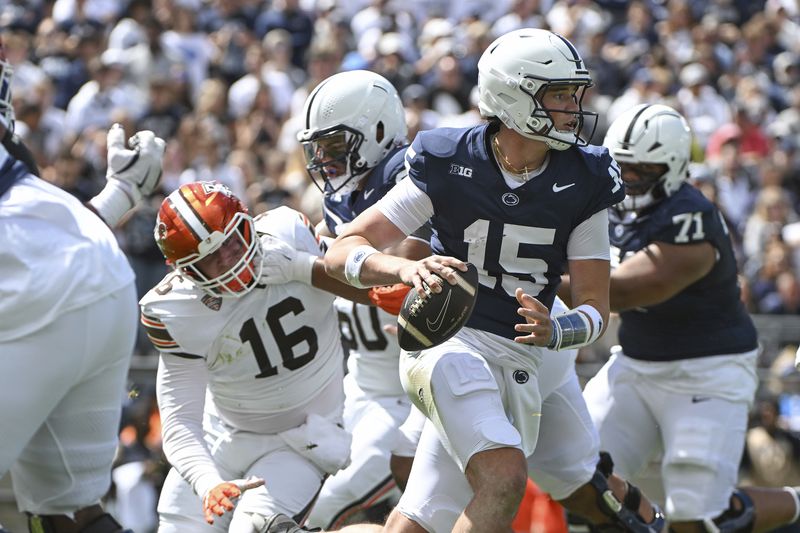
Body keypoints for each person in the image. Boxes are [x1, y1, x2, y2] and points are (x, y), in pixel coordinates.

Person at [324, 28, 664, 533]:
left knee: (421, 516)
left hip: (526, 355)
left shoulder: (586, 177)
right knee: (503, 477)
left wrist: (559, 330)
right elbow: (342, 250)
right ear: (514, 95)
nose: (573, 107)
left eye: (574, 94)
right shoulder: (448, 158)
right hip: (448, 342)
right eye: (559, 95)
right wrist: (404, 268)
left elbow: (596, 306)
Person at [570, 103, 800, 533]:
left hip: (706, 371)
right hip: (636, 364)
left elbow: (623, 290)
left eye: (644, 169)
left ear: (674, 167)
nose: (630, 178)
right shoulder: (603, 200)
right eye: (624, 167)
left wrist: (532, 277)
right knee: (577, 484)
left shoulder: (689, 214)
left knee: (699, 516)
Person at [140, 180, 382, 533]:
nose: (229, 260)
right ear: (187, 271)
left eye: (232, 241)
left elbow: (373, 290)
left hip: (300, 437)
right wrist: (207, 482)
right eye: (210, 258)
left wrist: (303, 267)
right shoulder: (174, 308)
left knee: (253, 529)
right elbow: (179, 420)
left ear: (247, 222)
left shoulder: (288, 234)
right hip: (220, 437)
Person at [0, 44, 166, 533]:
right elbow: (47, 244)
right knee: (68, 513)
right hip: (94, 264)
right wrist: (118, 199)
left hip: (37, 280)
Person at [295, 69, 432, 529]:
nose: (324, 160)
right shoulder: (343, 199)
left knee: (320, 506)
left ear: (376, 133)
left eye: (334, 146)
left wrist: (301, 264)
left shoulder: (412, 178)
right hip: (358, 386)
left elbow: (389, 280)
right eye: (318, 149)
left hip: (409, 398)